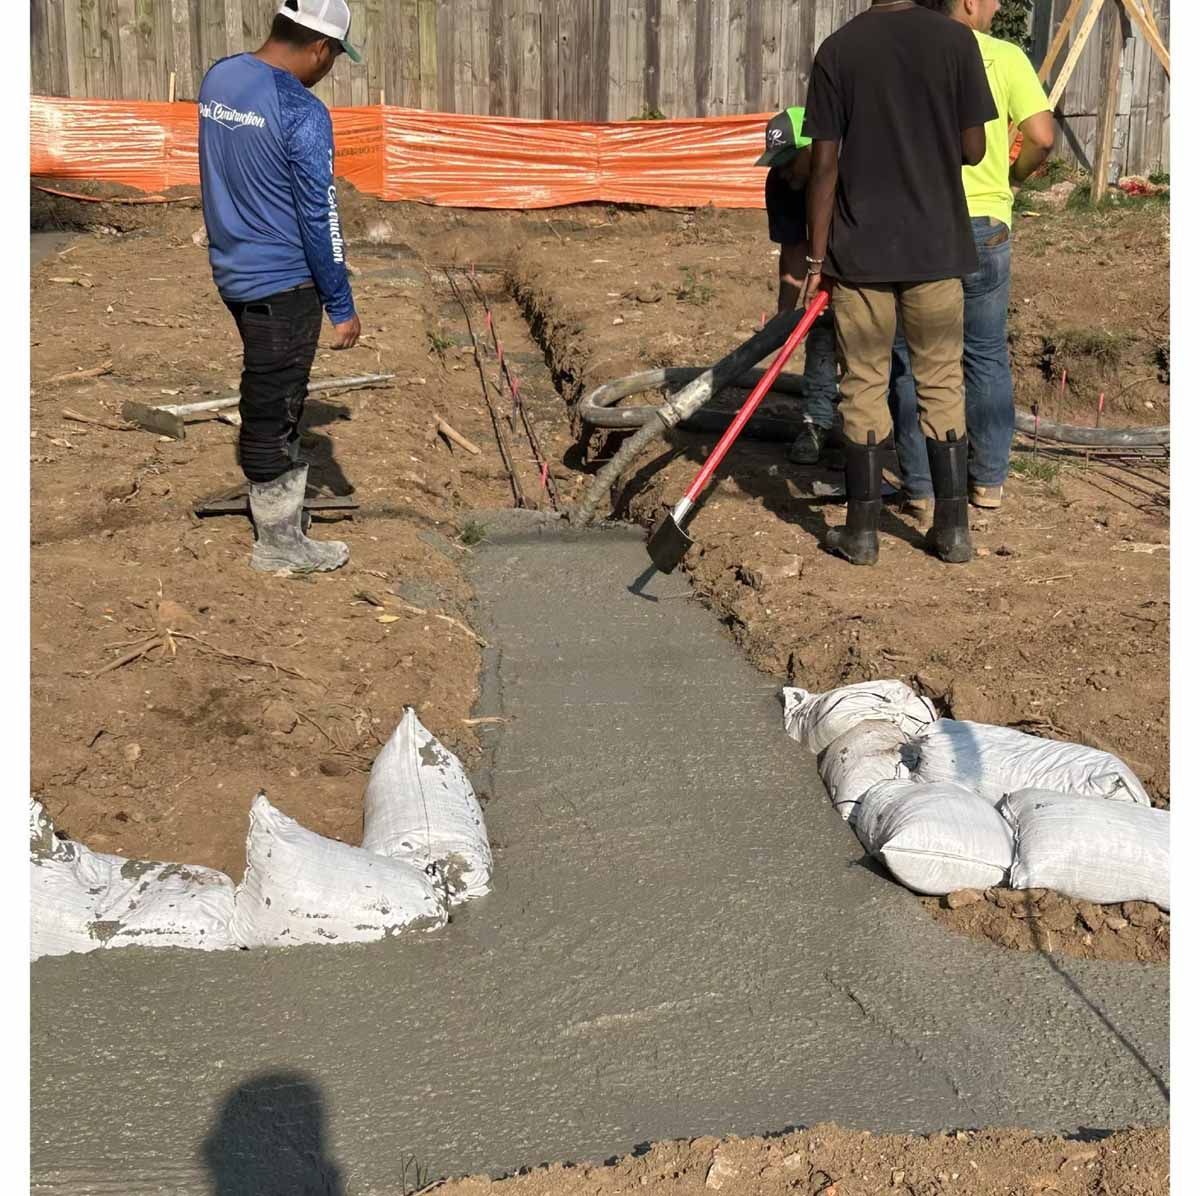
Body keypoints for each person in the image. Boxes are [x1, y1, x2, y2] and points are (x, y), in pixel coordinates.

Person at [803, 0, 997, 567]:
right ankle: (953, 530)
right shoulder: (957, 43)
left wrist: (817, 258)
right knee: (941, 380)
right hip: (936, 249)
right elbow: (974, 149)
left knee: (862, 383)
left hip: (860, 253)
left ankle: (861, 534)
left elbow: (823, 165)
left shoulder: (838, 49)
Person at [198, 0, 363, 574]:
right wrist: (341, 303)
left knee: (268, 390)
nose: (331, 67)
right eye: (336, 56)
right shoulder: (302, 111)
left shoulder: (220, 77)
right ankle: (277, 544)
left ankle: (282, 524)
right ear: (319, 48)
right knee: (274, 405)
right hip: (284, 281)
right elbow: (321, 215)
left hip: (234, 271)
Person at [896, 0, 1055, 511]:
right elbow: (1043, 137)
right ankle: (987, 481)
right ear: (968, 1)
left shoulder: (907, 54)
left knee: (911, 357)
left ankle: (920, 486)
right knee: (984, 353)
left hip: (921, 223)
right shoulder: (1006, 57)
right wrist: (1014, 175)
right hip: (986, 224)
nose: (1000, 6)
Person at [757, 107, 921, 476]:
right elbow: (793, 248)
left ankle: (881, 437)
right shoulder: (781, 184)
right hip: (823, 272)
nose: (782, 170)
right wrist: (785, 317)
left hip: (874, 267)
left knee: (877, 353)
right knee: (820, 339)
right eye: (776, 162)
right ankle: (816, 425)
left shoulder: (855, 171)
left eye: (789, 160)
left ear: (815, 149)